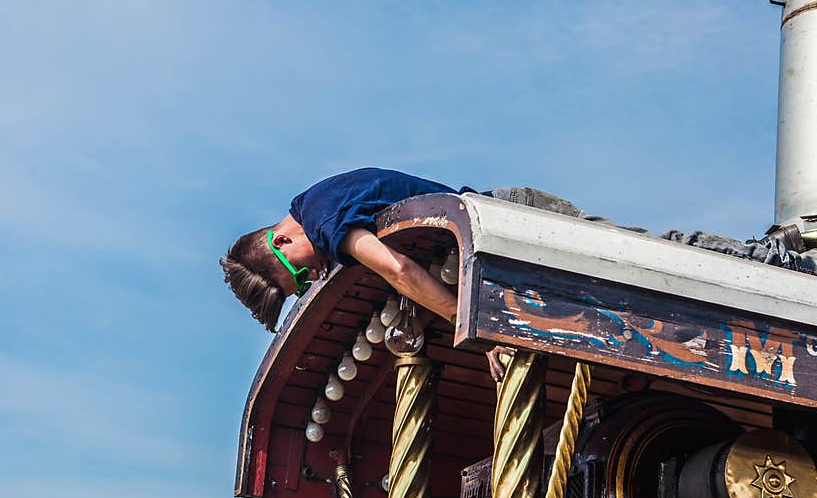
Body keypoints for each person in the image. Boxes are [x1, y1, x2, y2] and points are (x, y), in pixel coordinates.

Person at [220, 167, 815, 381]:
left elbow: (398, 266)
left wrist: (468, 322)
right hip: (504, 221)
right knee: (642, 253)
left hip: (509, 223)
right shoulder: (316, 199)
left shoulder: (323, 221)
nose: (317, 277)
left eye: (300, 278)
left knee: (650, 258)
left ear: (283, 239)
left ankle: (779, 262)